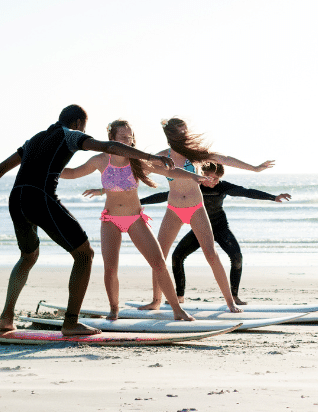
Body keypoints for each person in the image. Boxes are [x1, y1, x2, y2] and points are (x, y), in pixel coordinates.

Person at [0, 105, 174, 336]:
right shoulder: (70, 134)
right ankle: (71, 322)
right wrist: (150, 157)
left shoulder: (34, 140)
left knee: (28, 256)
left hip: (16, 199)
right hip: (41, 197)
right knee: (84, 254)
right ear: (78, 123)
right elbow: (108, 146)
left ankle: (6, 318)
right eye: (84, 127)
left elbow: (0, 168)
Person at [62, 119, 214, 321]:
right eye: (123, 137)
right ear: (112, 139)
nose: (128, 140)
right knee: (110, 268)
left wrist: (192, 176)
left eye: (130, 136)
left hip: (134, 218)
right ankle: (113, 309)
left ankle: (177, 310)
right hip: (110, 220)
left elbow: (168, 171)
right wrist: (45, 168)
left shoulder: (137, 161)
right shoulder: (100, 160)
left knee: (158, 263)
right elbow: (72, 173)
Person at [139, 118, 275, 313]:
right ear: (170, 135)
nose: (184, 136)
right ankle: (155, 300)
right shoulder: (162, 156)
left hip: (195, 207)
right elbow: (136, 166)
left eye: (185, 132)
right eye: (179, 133)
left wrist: (254, 168)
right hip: (174, 209)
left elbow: (225, 158)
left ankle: (230, 302)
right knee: (159, 255)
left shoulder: (195, 155)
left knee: (210, 253)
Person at [140, 162, 291, 306]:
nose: (212, 182)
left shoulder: (222, 187)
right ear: (201, 174)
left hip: (220, 228)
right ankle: (180, 296)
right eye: (209, 177)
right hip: (199, 229)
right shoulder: (192, 187)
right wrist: (139, 202)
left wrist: (273, 197)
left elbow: (247, 192)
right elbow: (164, 195)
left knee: (237, 257)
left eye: (216, 179)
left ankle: (234, 296)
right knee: (177, 256)